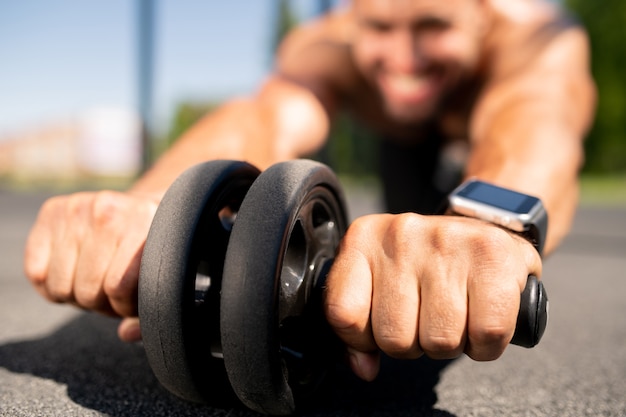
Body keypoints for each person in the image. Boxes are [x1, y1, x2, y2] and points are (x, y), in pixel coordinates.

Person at [24, 0, 595, 382]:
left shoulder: (537, 37)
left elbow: (534, 120)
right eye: (378, 28)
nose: (402, 58)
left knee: (448, 258)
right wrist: (154, 213)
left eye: (432, 27)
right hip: (401, 147)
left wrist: (486, 228)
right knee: (406, 257)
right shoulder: (325, 45)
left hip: (484, 138)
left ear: (480, 13)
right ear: (350, 19)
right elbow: (269, 118)